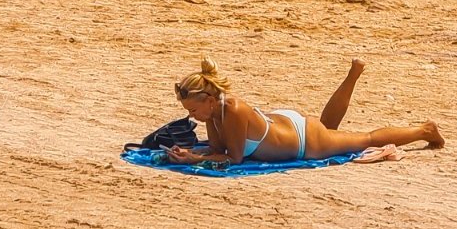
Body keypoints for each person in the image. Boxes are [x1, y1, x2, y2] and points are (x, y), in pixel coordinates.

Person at [164, 59, 442, 166]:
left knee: (366, 139)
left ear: (209, 99)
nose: (191, 116)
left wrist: (190, 161)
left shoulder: (233, 109)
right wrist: (192, 154)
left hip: (304, 142)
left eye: (193, 109)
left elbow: (233, 158)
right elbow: (216, 148)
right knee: (331, 129)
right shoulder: (214, 113)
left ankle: (424, 130)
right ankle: (352, 74)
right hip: (286, 126)